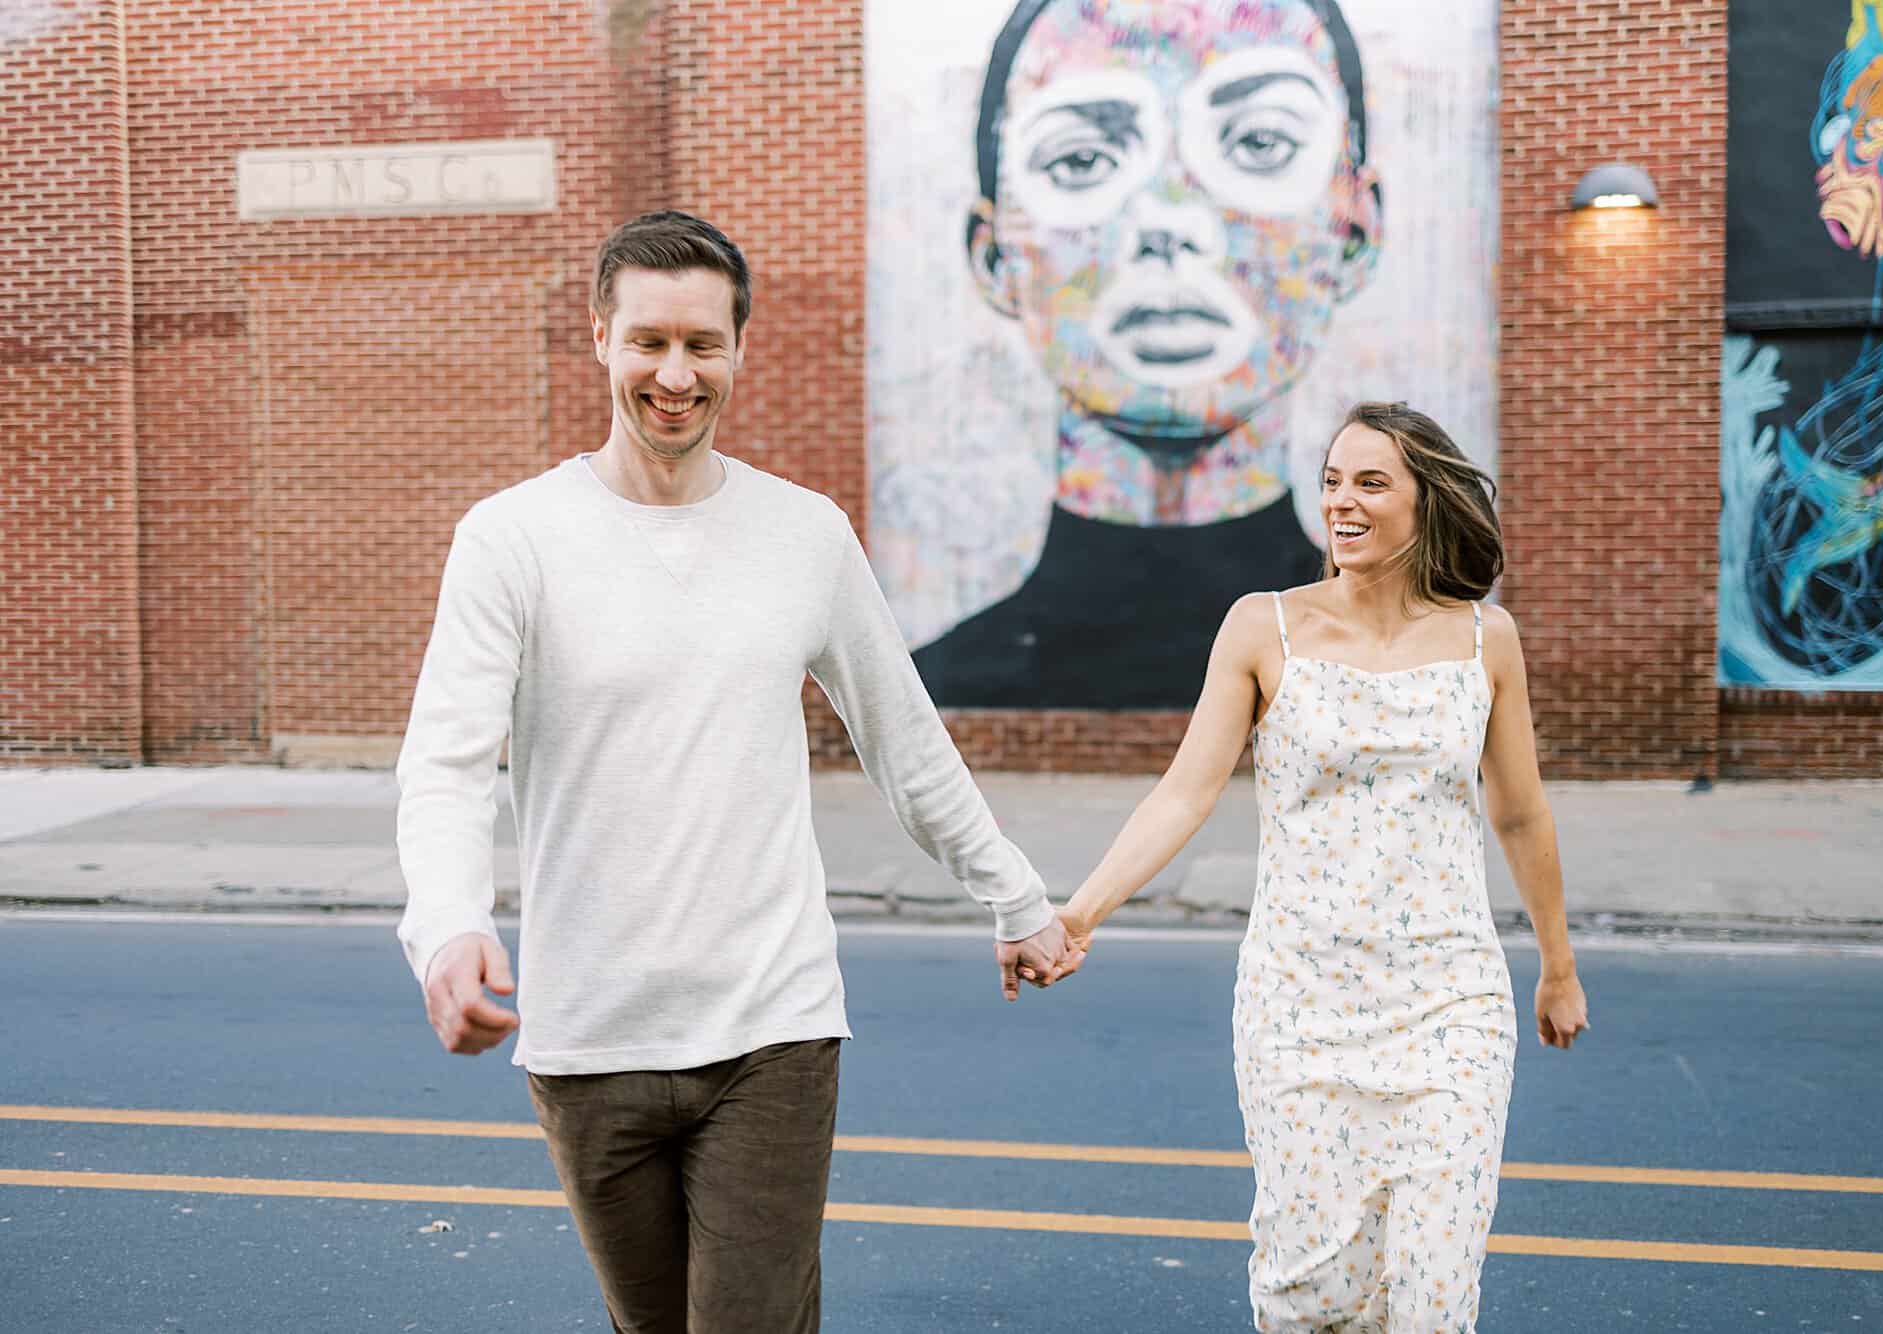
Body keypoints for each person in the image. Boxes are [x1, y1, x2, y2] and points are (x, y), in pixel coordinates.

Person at [393, 209, 1082, 1334]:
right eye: (650, 341)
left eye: (702, 344)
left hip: (771, 1029)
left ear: (737, 350)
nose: (676, 374)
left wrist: (1011, 893)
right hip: (590, 1033)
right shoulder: (511, 537)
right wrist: (449, 923)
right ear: (601, 339)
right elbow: (447, 761)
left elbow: (901, 738)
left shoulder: (802, 533)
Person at [1056, 401, 1588, 1331]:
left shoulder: (1483, 639)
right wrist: (1083, 910)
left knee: (1434, 1289)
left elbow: (1519, 811)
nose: (1343, 502)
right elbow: (1185, 792)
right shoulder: (1264, 629)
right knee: (1315, 1293)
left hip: (1449, 1001)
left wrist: (1558, 965)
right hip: (1299, 1004)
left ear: (1427, 500)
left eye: (1371, 482)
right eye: (1333, 481)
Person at [912, 0, 1383, 709]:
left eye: (1260, 143)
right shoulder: (937, 681)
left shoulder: (1407, 677)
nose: (1167, 219)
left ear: (1354, 233)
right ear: (995, 256)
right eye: (1081, 158)